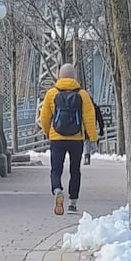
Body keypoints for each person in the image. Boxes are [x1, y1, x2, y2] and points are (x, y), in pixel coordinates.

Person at [39, 63, 98, 215]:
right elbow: (89, 117)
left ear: (59, 76)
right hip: (76, 139)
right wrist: (92, 137)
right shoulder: (82, 95)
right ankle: (73, 203)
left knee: (56, 169)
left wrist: (48, 132)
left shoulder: (52, 93)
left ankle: (57, 189)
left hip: (57, 138)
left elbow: (44, 117)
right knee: (75, 170)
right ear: (74, 77)